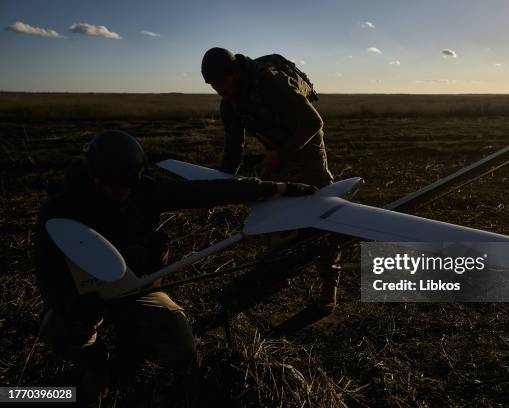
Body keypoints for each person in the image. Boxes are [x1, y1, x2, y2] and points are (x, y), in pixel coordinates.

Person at [35, 130, 316, 405]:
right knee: (58, 329)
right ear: (94, 175)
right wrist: (70, 301)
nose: (120, 192)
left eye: (127, 185)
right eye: (112, 185)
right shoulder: (60, 209)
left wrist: (275, 188)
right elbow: (49, 271)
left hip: (138, 284)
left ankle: (156, 376)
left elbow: (202, 192)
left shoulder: (145, 190)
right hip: (82, 291)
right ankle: (95, 368)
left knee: (178, 335)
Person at [200, 47, 341, 312]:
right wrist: (222, 185)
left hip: (307, 150)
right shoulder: (229, 102)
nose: (216, 89)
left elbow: (314, 123)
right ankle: (279, 273)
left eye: (219, 82)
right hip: (275, 154)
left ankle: (328, 289)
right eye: (211, 85)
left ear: (234, 73)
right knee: (271, 214)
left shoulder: (272, 83)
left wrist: (279, 154)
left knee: (323, 217)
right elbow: (233, 147)